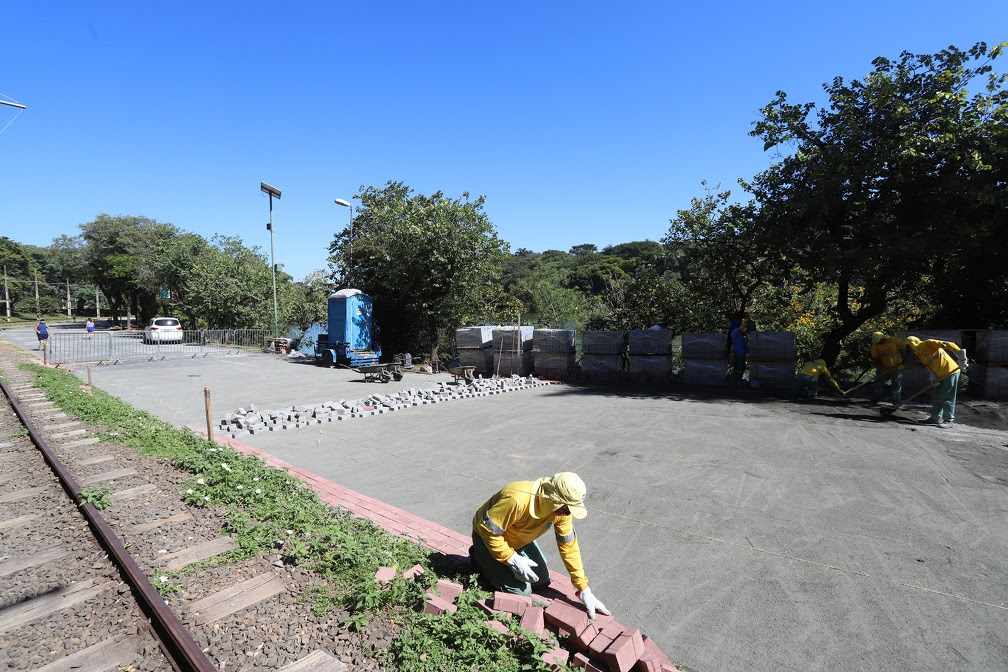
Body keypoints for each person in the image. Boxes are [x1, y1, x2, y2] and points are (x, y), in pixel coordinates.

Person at [471, 472, 611, 620]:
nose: (567, 513)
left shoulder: (562, 512)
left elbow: (568, 546)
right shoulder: (517, 499)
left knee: (541, 581)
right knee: (522, 592)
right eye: (567, 508)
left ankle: (499, 563)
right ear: (554, 499)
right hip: (487, 538)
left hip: (520, 539)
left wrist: (583, 587)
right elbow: (486, 530)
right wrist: (511, 559)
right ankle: (478, 557)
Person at [905, 336, 966, 427]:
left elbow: (950, 344)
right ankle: (935, 418)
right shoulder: (919, 353)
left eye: (909, 346)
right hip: (939, 375)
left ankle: (948, 420)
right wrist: (932, 376)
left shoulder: (929, 343)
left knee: (947, 396)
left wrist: (962, 358)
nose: (909, 348)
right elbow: (929, 365)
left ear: (914, 343)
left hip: (950, 371)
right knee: (936, 396)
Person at [869, 332, 905, 405]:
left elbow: (904, 346)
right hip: (884, 369)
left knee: (896, 385)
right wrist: (882, 367)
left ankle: (896, 402)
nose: (878, 342)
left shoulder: (893, 340)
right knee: (878, 384)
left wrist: (904, 358)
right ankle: (874, 400)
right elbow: (876, 358)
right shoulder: (875, 346)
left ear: (883, 338)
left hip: (897, 368)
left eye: (879, 341)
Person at [728, 310, 756, 386]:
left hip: (741, 353)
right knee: (740, 368)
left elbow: (744, 334)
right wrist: (747, 320)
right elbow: (741, 328)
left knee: (742, 367)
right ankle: (737, 382)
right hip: (739, 353)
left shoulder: (738, 333)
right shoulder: (735, 332)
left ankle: (738, 382)